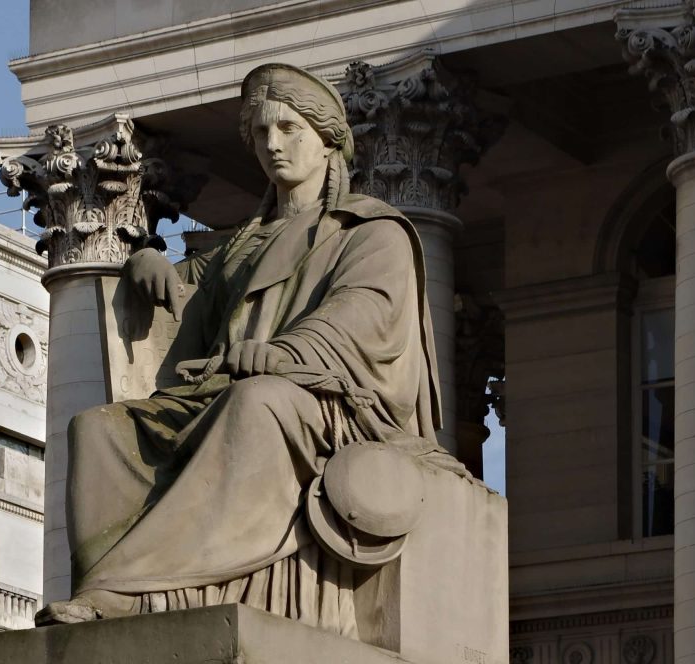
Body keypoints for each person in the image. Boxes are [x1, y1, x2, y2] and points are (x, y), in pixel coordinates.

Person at [35, 63, 442, 637]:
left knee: (257, 404)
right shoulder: (242, 245)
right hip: (221, 390)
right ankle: (104, 585)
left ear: (328, 141)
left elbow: (366, 313)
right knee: (97, 429)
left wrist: (286, 352)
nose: (273, 144)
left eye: (289, 128)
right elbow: (188, 294)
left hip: (327, 402)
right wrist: (148, 261)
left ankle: (138, 586)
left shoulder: (372, 230)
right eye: (261, 132)